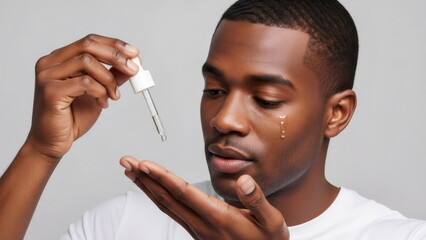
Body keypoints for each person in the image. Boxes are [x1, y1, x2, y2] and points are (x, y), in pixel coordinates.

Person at [0, 0, 425, 239]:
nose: (224, 119)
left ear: (336, 113)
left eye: (266, 97)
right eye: (214, 91)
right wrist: (40, 150)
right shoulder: (123, 226)